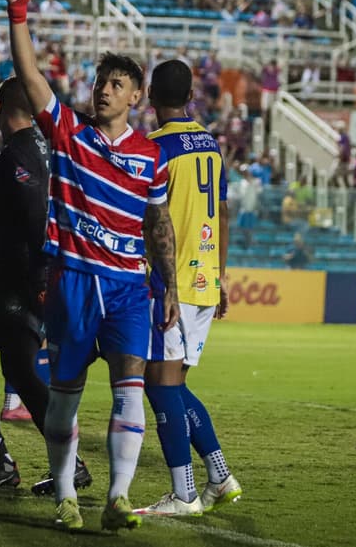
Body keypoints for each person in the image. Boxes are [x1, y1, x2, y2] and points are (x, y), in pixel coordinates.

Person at [4, 0, 180, 532]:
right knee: (65, 396)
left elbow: (158, 223)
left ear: (135, 96)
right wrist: (19, 12)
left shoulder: (152, 158)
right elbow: (30, 77)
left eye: (116, 84)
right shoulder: (69, 133)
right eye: (101, 81)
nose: (104, 89)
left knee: (131, 384)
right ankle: (65, 495)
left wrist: (169, 286)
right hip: (74, 282)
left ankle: (118, 498)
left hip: (129, 287)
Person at [0, 77, 92, 493]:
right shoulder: (46, 147)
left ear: (0, 107)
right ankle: (71, 465)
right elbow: (22, 214)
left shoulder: (16, 154)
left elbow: (33, 218)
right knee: (20, 371)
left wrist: (38, 281)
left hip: (16, 281)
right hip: (32, 278)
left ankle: (2, 465)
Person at [133, 59, 242, 518]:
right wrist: (221, 276)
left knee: (160, 387)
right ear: (191, 97)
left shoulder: (154, 148)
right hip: (204, 280)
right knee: (173, 385)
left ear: (149, 96)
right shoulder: (211, 146)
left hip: (169, 283)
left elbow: (149, 218)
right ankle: (220, 476)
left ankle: (184, 494)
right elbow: (222, 213)